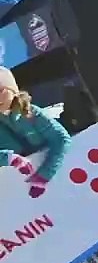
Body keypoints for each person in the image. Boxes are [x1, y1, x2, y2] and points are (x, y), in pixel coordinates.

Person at [1, 67, 73, 198]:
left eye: (1, 91)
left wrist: (43, 176)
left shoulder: (31, 112)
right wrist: (10, 158)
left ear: (13, 90)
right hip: (17, 190)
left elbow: (61, 139)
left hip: (58, 177)